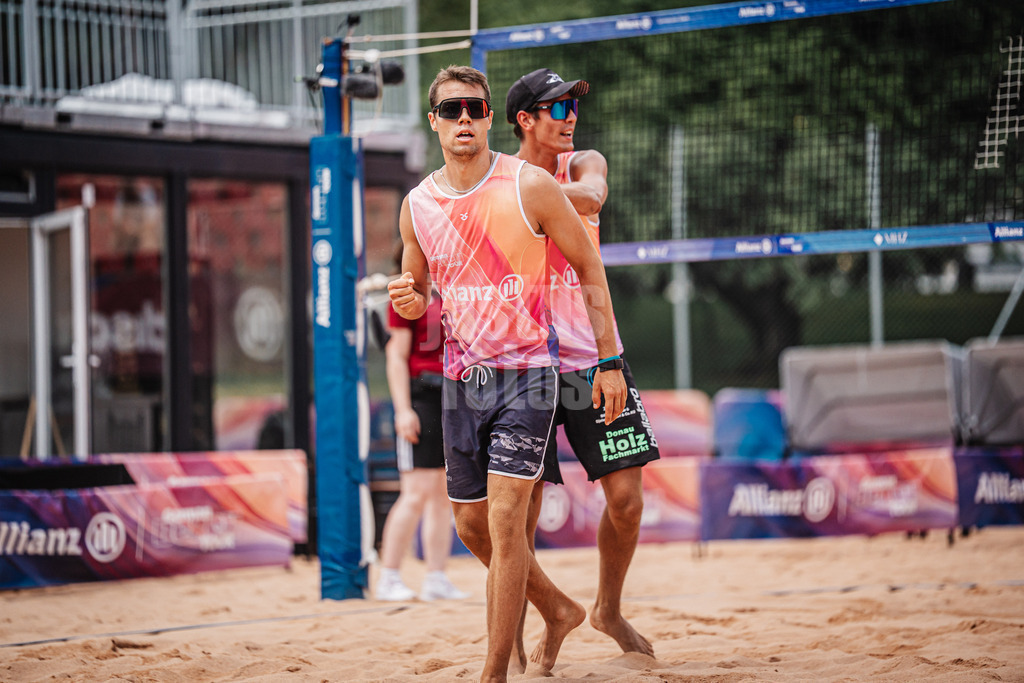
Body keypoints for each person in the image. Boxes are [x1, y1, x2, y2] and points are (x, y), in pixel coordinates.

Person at [388, 65, 627, 682]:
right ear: (434, 121)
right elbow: (414, 287)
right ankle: (559, 608)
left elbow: (590, 270)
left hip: (529, 373)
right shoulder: (418, 205)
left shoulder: (530, 185)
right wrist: (409, 300)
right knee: (472, 526)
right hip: (462, 379)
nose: (463, 119)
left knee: (508, 516)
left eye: (474, 108)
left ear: (491, 116)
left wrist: (608, 361)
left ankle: (495, 671)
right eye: (451, 110)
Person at [506, 68, 661, 658]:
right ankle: (514, 635)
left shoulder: (577, 165)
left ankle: (607, 610)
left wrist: (520, 190)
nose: (571, 115)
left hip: (598, 360)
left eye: (573, 104)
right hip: (526, 366)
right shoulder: (502, 179)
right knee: (519, 517)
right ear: (526, 119)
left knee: (626, 501)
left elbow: (593, 195)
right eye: (558, 106)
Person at [375, 243, 470, 603]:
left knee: (442, 497)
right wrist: (403, 409)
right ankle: (389, 576)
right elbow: (396, 358)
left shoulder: (455, 291)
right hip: (421, 397)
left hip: (454, 394)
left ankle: (435, 577)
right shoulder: (406, 296)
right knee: (414, 493)